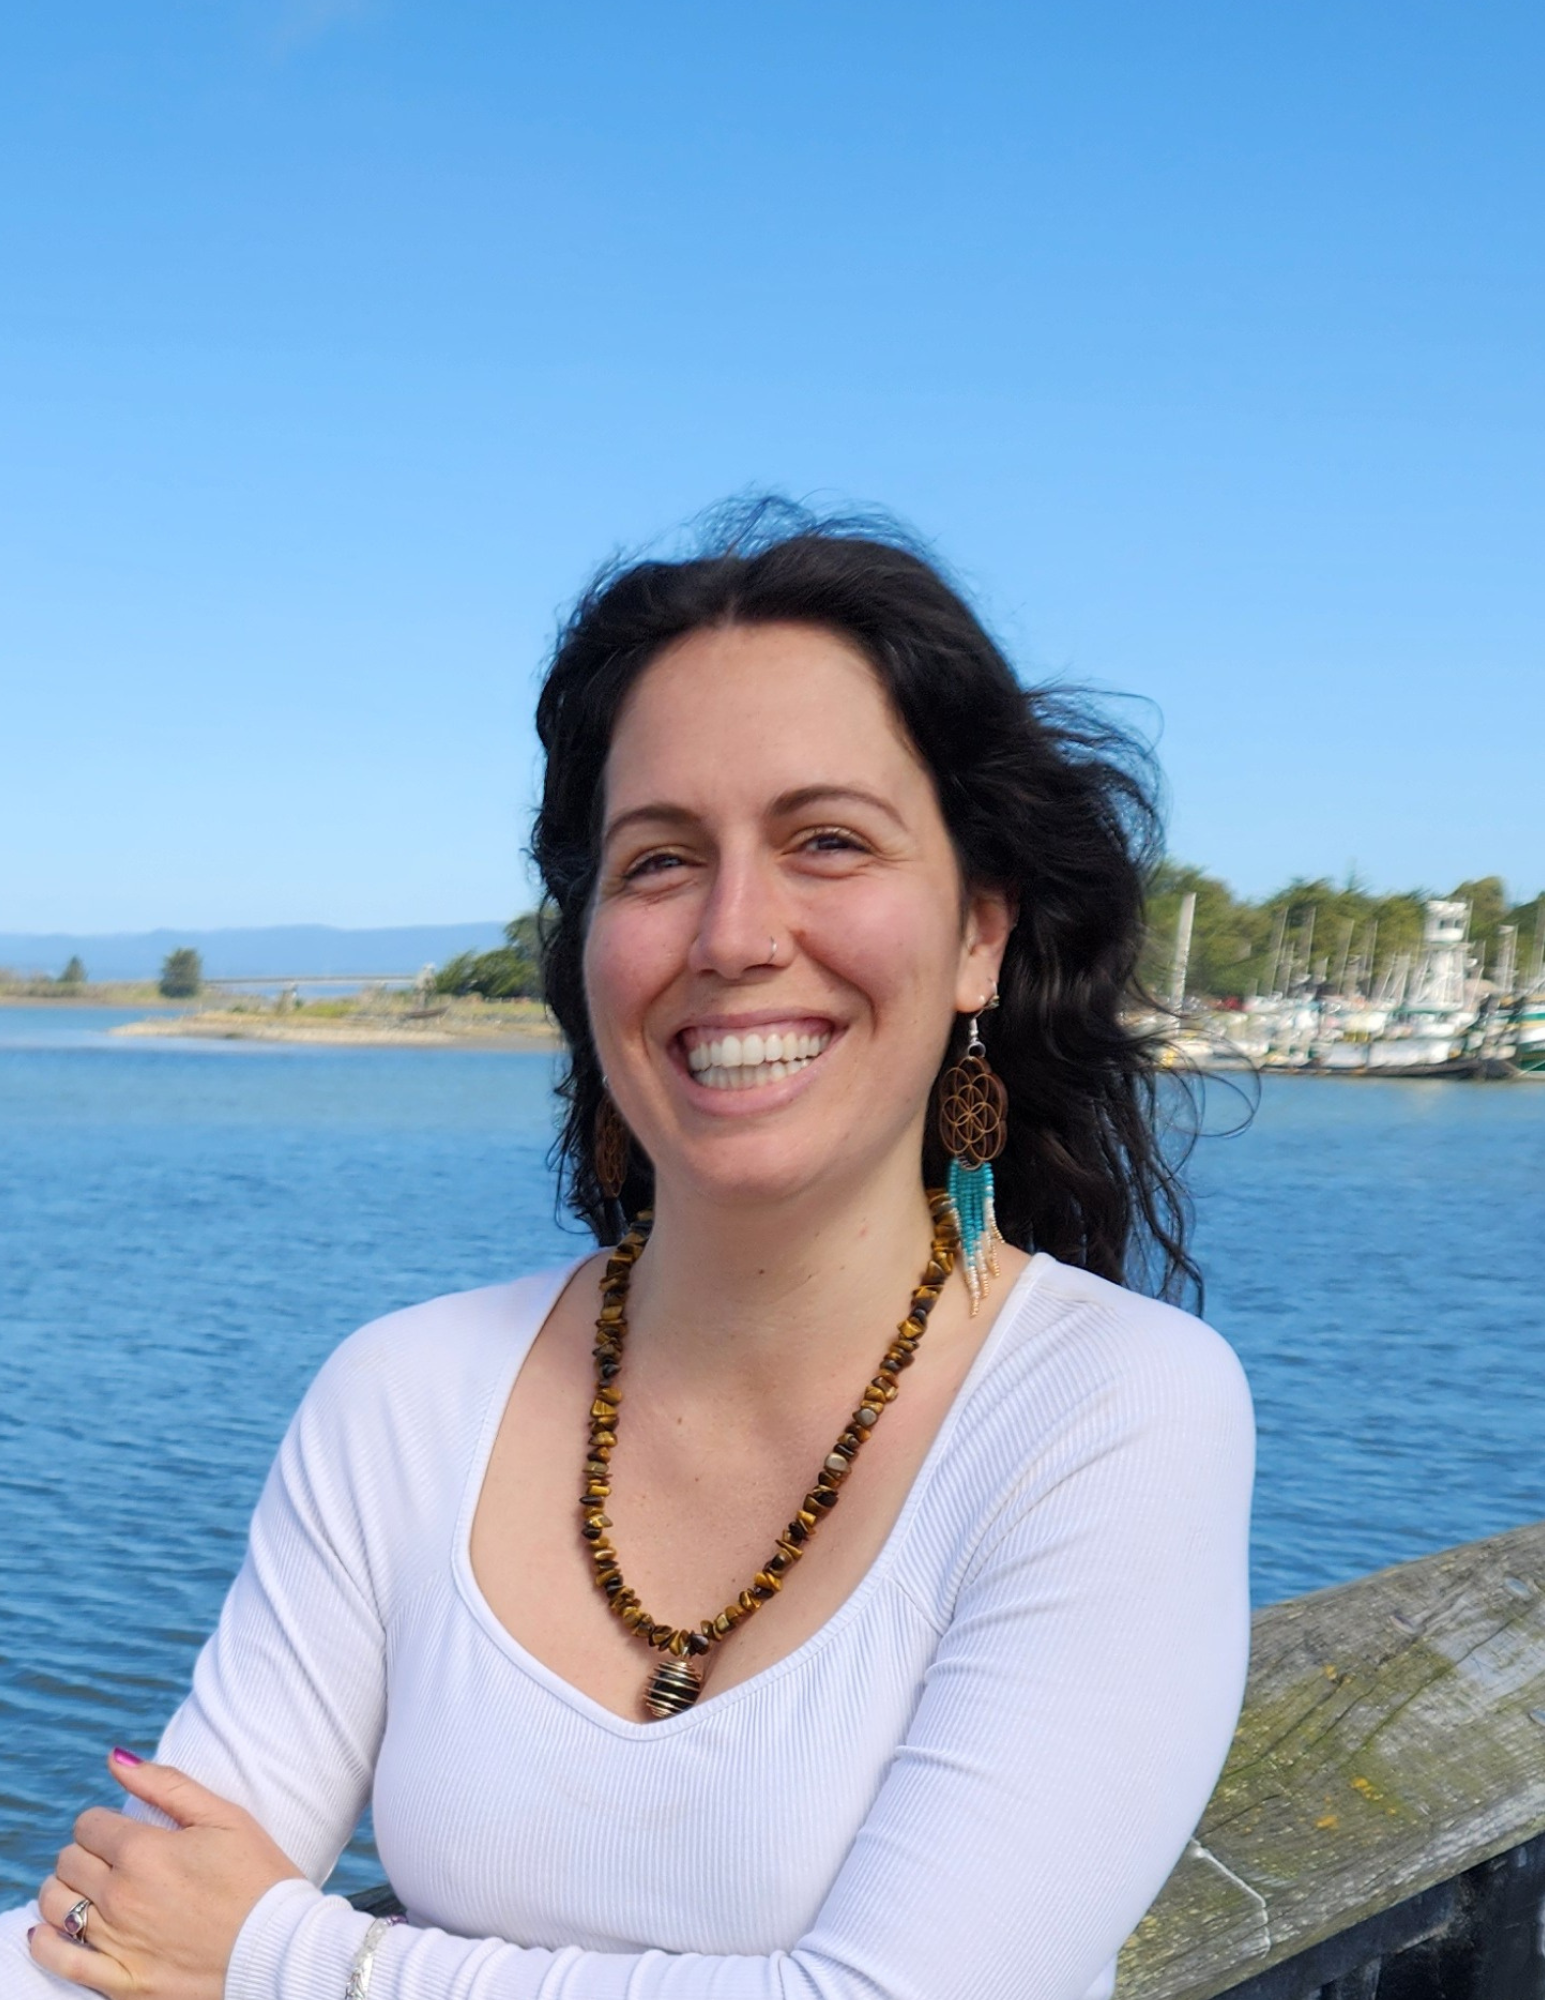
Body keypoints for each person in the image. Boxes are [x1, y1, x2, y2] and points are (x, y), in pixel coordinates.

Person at [6, 505, 1254, 2000]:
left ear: (980, 934)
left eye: (828, 841)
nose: (734, 933)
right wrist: (201, 1940)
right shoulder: (401, 1396)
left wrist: (288, 1953)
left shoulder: (1114, 1410)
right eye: (660, 862)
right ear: (588, 939)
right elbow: (129, 1934)